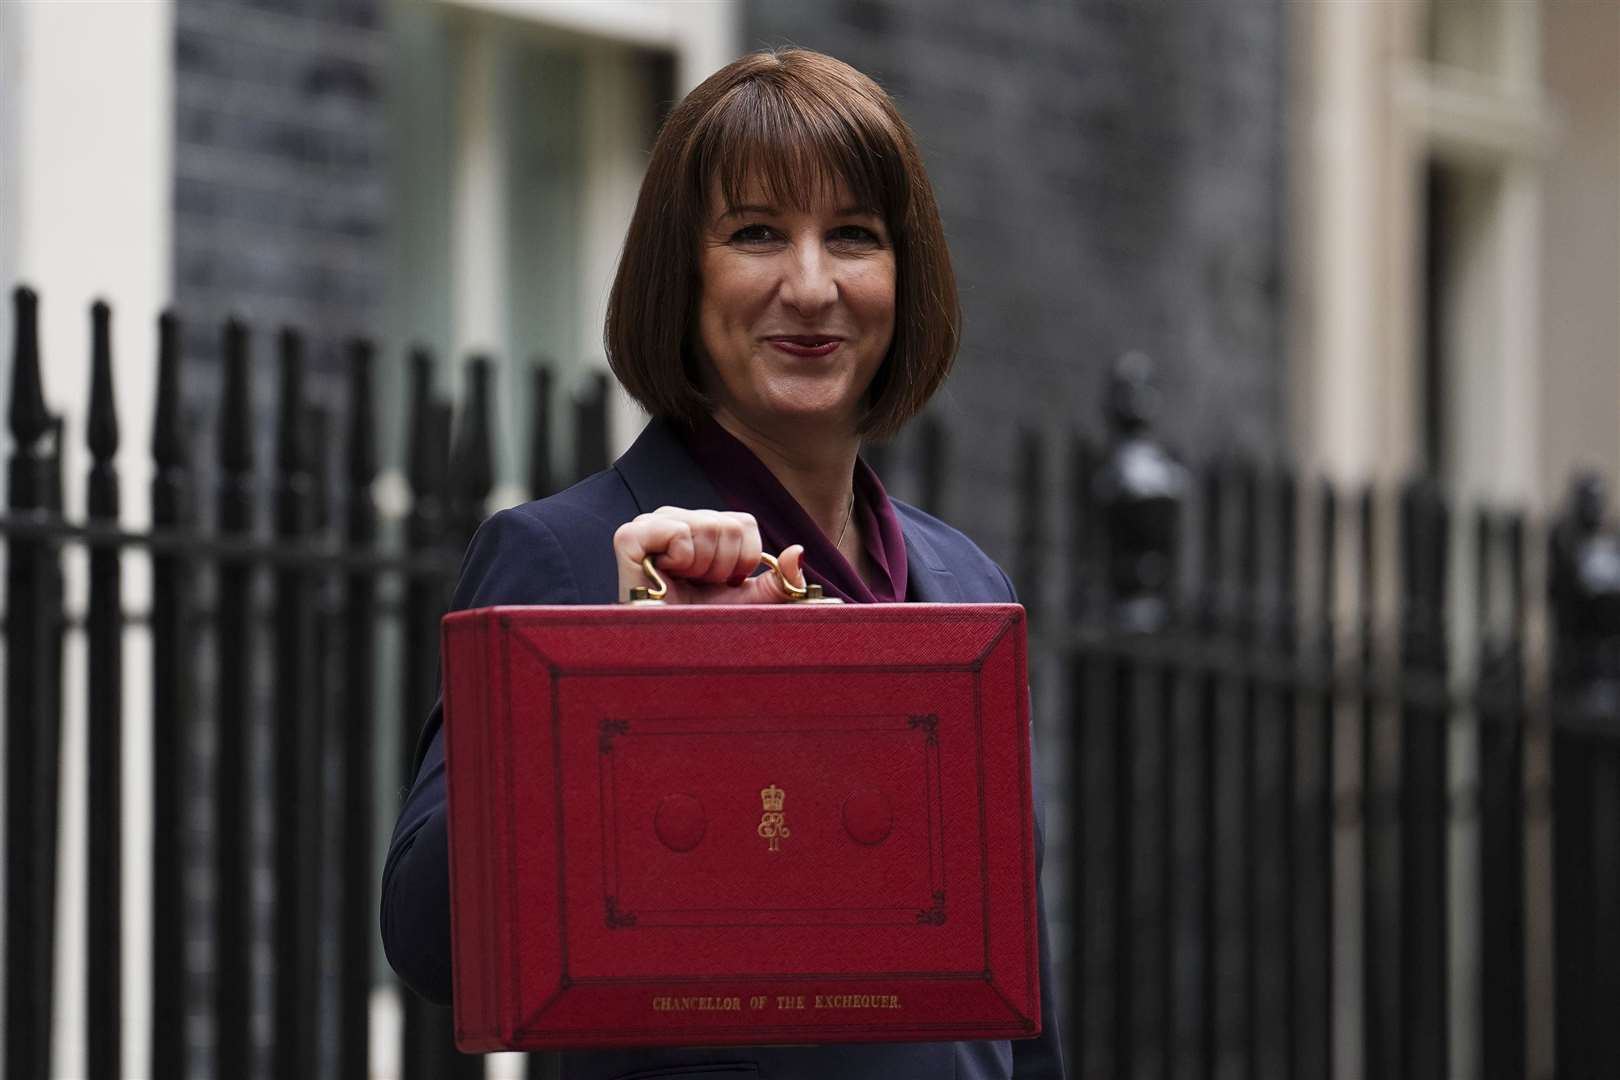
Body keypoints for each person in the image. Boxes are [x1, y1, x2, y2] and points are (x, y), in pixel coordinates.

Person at [381, 47, 1066, 1080]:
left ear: (902, 274)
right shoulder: (565, 558)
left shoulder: (967, 582)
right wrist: (632, 667)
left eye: (854, 237)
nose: (810, 283)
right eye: (756, 233)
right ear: (682, 275)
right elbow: (430, 943)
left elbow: (1019, 1006)